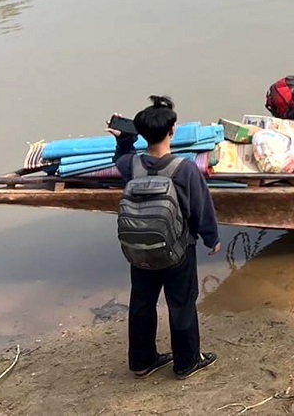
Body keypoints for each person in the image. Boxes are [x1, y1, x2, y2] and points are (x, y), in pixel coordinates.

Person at [110, 96, 219, 380]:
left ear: (142, 134)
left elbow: (119, 159)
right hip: (178, 250)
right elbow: (201, 209)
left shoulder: (131, 165)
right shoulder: (185, 169)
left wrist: (124, 140)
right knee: (181, 304)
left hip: (139, 249)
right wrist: (212, 238)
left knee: (142, 304)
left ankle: (142, 362)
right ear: (172, 131)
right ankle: (186, 362)